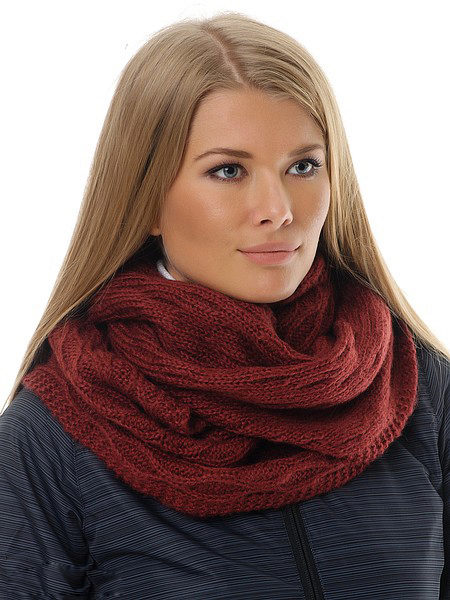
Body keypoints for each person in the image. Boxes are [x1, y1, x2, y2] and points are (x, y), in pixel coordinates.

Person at [1, 11, 448, 599]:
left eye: (303, 166)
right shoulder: (49, 438)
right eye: (228, 170)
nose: (278, 209)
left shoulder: (415, 383)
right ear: (145, 199)